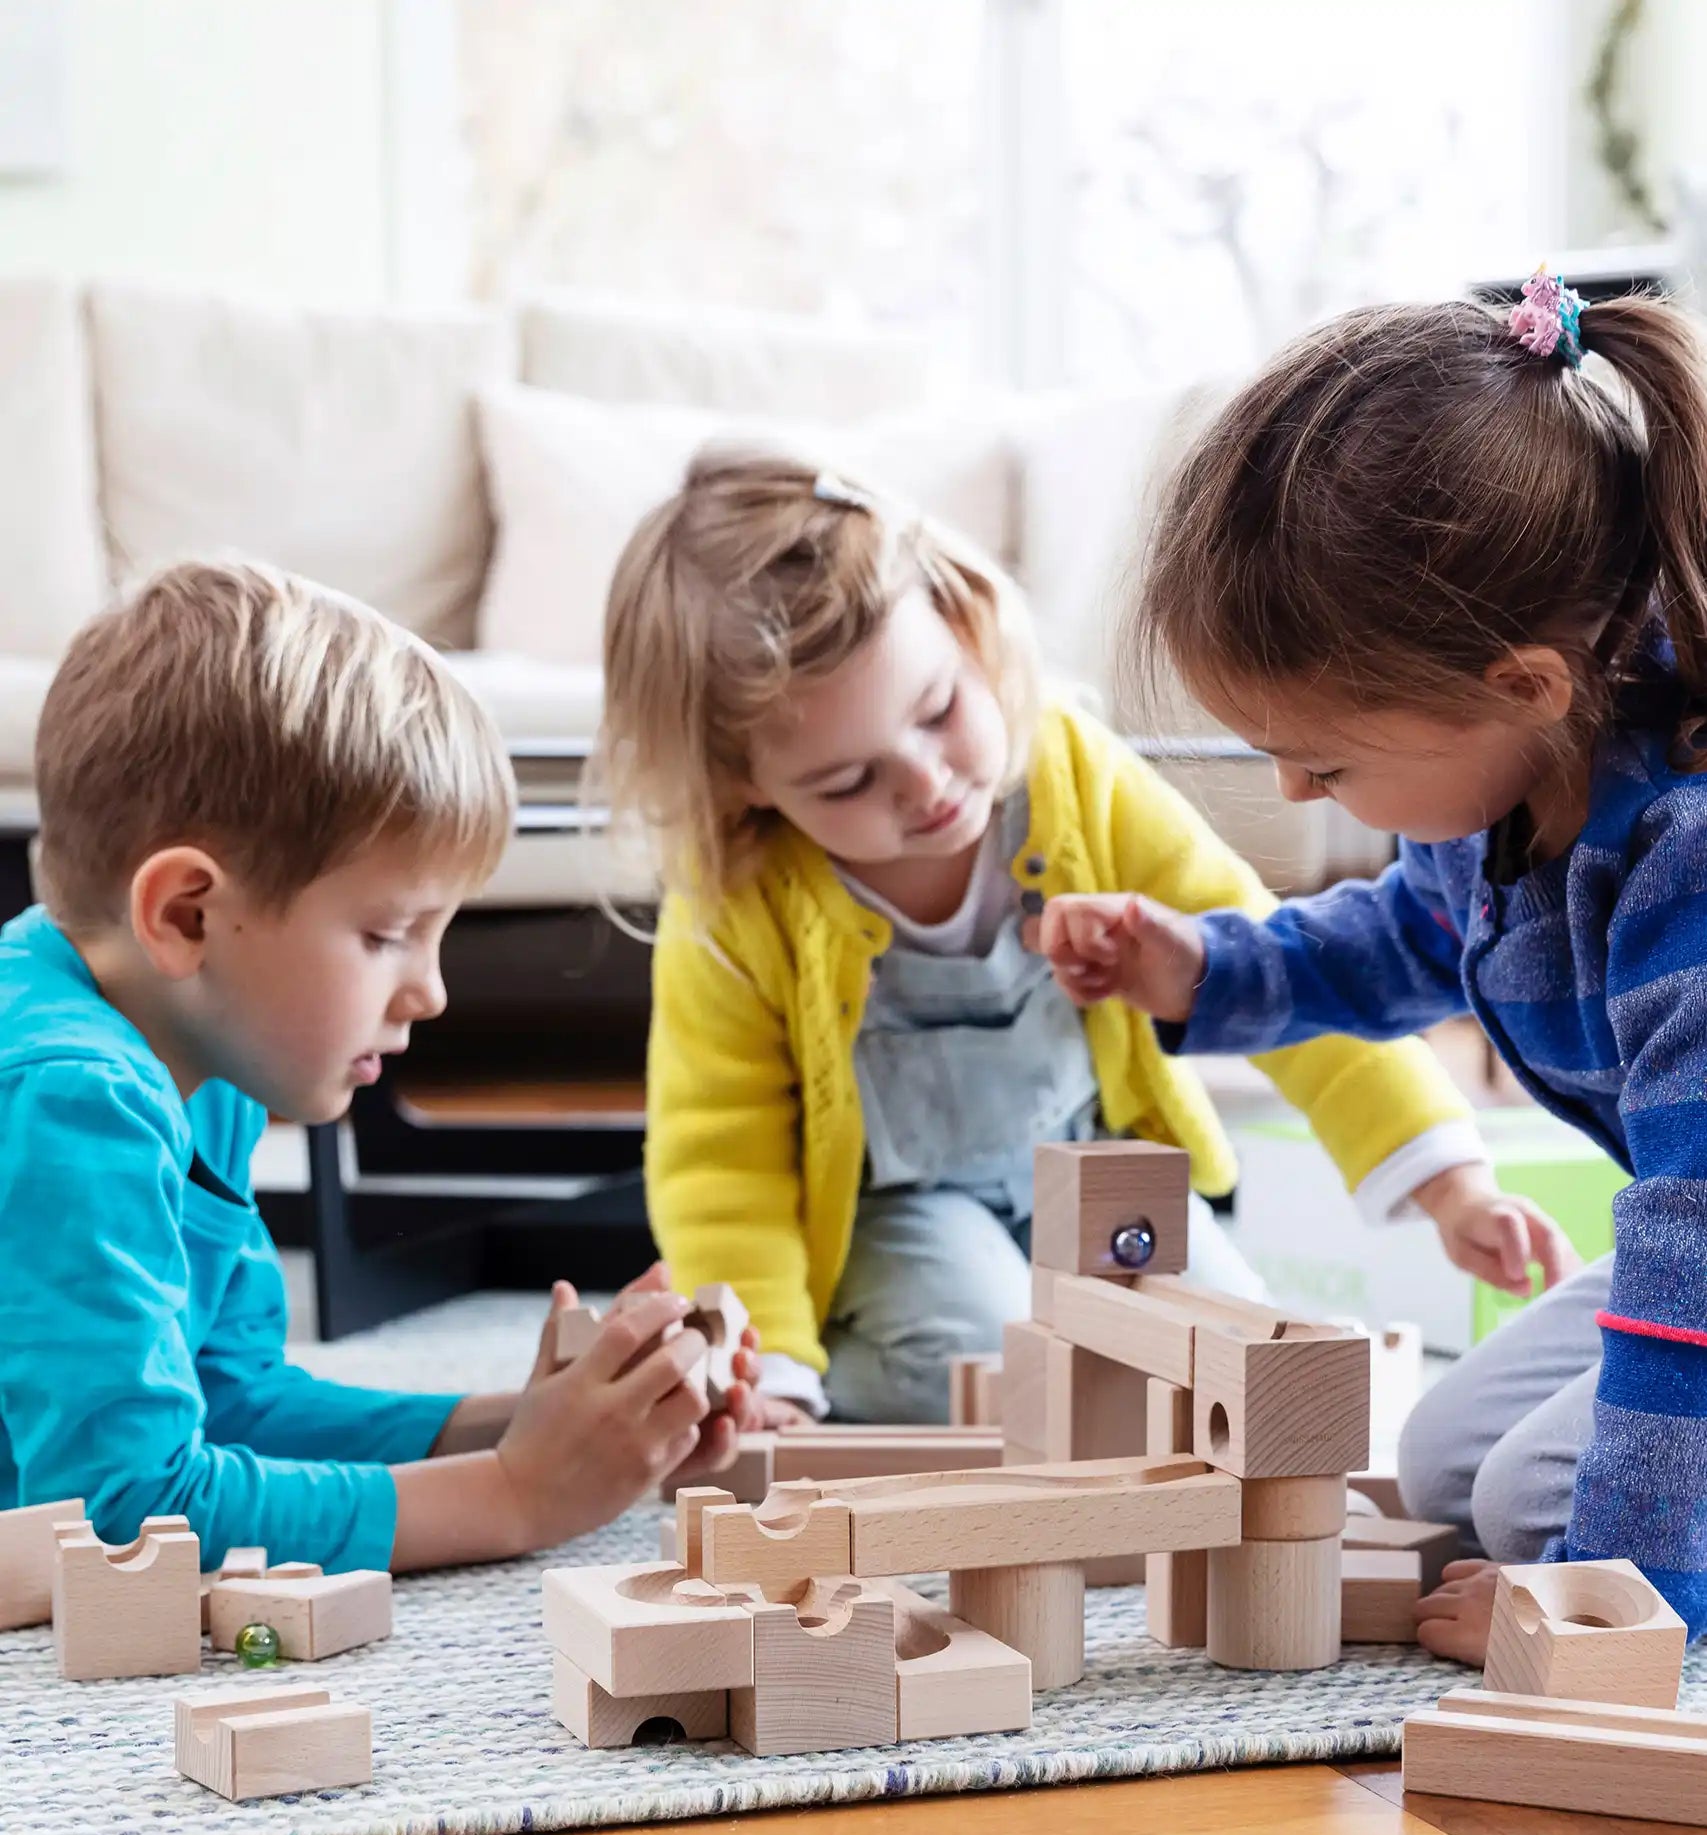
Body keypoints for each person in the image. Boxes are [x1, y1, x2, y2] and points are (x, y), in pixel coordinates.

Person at [598, 448, 1551, 1428]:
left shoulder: (1069, 771)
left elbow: (1274, 968)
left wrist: (1447, 1180)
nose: (927, 784)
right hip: (905, 1215)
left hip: (1100, 1169)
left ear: (966, 628)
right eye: (846, 782)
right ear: (743, 781)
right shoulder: (735, 901)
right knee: (994, 1366)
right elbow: (720, 1155)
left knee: (1232, 1353)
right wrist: (774, 1368)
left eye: (940, 710)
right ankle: (849, 1358)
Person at [1036, 274, 1707, 1652]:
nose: (1290, 794)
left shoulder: (1682, 867)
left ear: (1520, 683)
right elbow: (1411, 943)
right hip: (1686, 1229)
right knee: (1445, 1457)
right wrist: (1203, 972)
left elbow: (1689, 1255)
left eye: (1324, 761)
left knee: (1536, 1507)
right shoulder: (1508, 789)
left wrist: (1599, 1602)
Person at [0, 559, 757, 1575]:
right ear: (186, 914)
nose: (430, 991)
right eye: (387, 933)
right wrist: (515, 1494)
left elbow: (228, 1398)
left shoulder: (189, 1043)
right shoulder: (74, 1093)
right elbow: (116, 1517)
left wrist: (530, 1428)